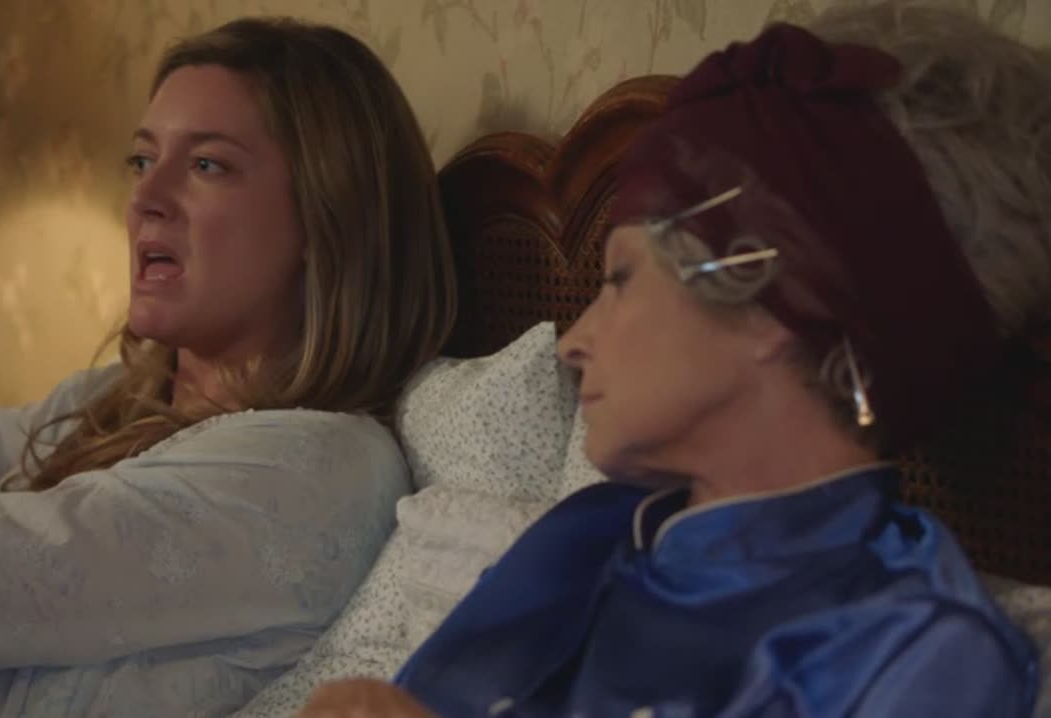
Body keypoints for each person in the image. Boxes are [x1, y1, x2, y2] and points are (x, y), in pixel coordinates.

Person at [302, 2, 1046, 716]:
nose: (571, 342)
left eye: (621, 280)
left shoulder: (913, 649)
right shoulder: (583, 537)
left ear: (782, 300)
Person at [0, 16, 456, 718]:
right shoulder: (115, 397)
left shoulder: (320, 463)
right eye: (141, 160)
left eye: (207, 165)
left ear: (326, 215)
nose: (146, 197)